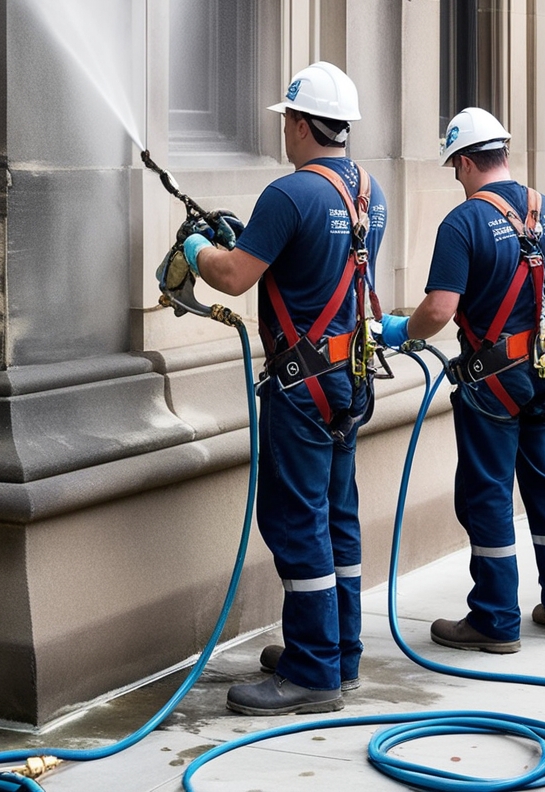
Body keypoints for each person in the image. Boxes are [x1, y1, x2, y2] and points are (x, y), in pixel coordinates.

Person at [180, 61, 387, 715]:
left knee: (298, 524)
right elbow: (308, 263)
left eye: (286, 123)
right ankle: (337, 650)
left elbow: (237, 277)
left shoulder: (290, 194)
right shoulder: (367, 192)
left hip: (303, 388)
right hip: (349, 379)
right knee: (338, 519)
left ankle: (311, 671)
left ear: (299, 123)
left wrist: (195, 251)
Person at [381, 107, 545, 653]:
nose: (456, 178)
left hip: (493, 383)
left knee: (487, 495)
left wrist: (402, 331)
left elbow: (440, 310)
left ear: (468, 161)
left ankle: (496, 620)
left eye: (456, 168)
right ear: (506, 155)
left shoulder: (464, 223)